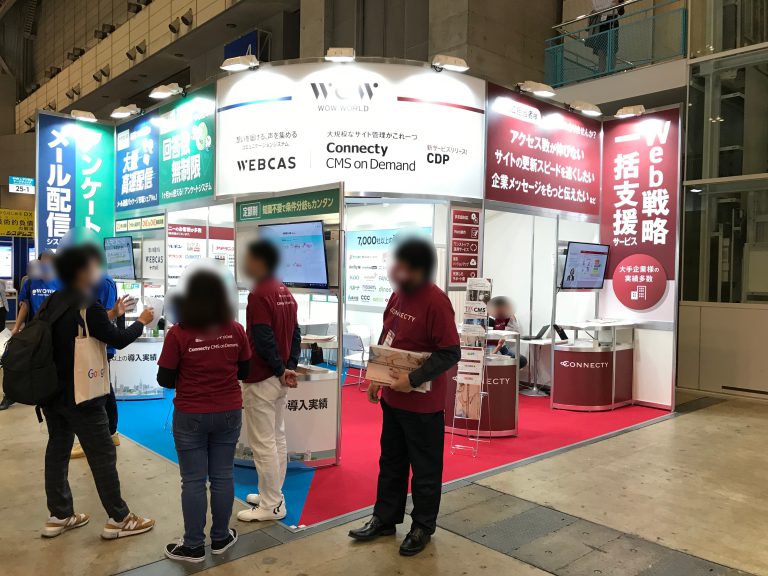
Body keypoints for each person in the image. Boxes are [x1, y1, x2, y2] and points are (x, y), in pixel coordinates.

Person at [348, 238, 461, 557]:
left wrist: (412, 380)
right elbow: (389, 336)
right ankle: (384, 518)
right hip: (393, 401)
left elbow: (450, 352)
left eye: (401, 266)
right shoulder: (398, 294)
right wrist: (376, 376)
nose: (394, 271)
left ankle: (422, 526)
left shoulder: (436, 302)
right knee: (391, 462)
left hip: (423, 405)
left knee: (425, 469)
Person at [40, 245, 156, 539]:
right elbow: (117, 338)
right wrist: (141, 322)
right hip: (84, 393)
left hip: (52, 393)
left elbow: (79, 330)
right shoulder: (88, 305)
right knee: (103, 454)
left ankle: (59, 515)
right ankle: (120, 518)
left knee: (57, 451)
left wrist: (113, 312)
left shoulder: (53, 301)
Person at [157, 269, 251, 563]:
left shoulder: (179, 333)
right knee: (223, 475)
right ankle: (221, 537)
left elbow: (164, 379)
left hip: (191, 415)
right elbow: (245, 370)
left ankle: (194, 545)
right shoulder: (235, 330)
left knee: (193, 481)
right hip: (229, 412)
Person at [237, 240, 301, 523]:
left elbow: (263, 338)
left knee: (264, 442)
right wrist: (288, 368)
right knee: (277, 437)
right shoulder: (285, 291)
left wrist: (279, 369)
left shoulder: (259, 294)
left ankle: (272, 504)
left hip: (262, 377)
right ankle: (272, 494)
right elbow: (296, 334)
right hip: (277, 378)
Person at [71, 245, 125, 458]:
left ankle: (106, 434)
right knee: (102, 388)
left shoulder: (103, 282)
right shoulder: (87, 281)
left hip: (99, 345)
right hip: (89, 343)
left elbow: (106, 316)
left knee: (100, 390)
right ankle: (109, 434)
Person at [0, 254, 60, 411]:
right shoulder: (30, 282)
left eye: (49, 263)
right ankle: (11, 394)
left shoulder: (61, 281)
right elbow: (25, 306)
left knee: (53, 363)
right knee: (18, 359)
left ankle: (51, 393)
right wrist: (16, 328)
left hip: (54, 330)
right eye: (43, 262)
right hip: (34, 330)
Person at [487, 296, 528, 369]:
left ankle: (508, 373)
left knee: (521, 360)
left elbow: (516, 331)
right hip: (491, 346)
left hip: (502, 346)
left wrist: (511, 315)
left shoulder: (503, 318)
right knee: (497, 362)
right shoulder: (489, 318)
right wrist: (498, 346)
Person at [586, 0, 625, 73]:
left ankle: (611, 70)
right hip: (601, 22)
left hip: (611, 21)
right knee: (601, 49)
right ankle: (602, 70)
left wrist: (618, 4)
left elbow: (621, 11)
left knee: (611, 48)